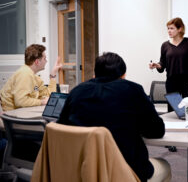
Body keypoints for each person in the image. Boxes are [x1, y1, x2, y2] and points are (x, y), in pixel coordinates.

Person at [58, 52, 171, 182]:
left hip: (82, 171)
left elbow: (62, 128)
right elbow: (156, 131)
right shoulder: (134, 90)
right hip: (124, 172)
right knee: (164, 165)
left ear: (95, 74)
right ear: (123, 75)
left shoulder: (76, 91)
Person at [149, 17, 188, 111]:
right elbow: (162, 64)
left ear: (180, 29)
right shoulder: (165, 45)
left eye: (172, 28)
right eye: (168, 28)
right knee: (173, 112)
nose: (169, 31)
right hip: (172, 83)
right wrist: (157, 65)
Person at [0, 44, 62, 111]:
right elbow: (20, 101)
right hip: (10, 117)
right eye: (45, 58)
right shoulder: (24, 74)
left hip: (21, 112)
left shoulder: (34, 76)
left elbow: (49, 95)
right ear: (37, 62)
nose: (46, 61)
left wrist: (53, 74)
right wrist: (42, 102)